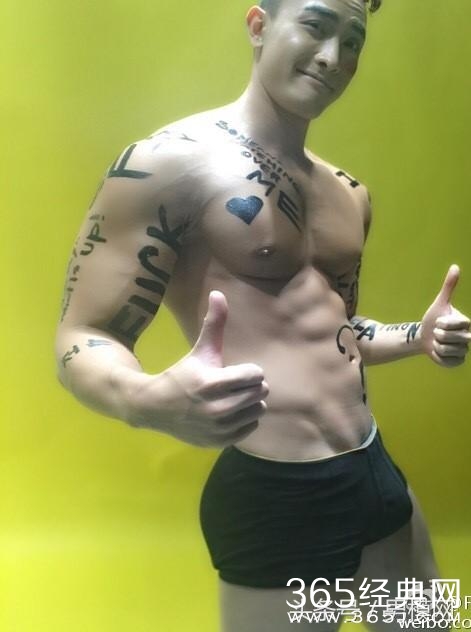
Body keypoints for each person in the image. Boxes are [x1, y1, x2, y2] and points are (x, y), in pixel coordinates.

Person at [55, 0, 470, 629]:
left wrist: (419, 335)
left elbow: (337, 334)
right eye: (315, 25)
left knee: (427, 624)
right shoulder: (166, 163)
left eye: (352, 40)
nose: (333, 56)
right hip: (281, 496)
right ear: (258, 25)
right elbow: (84, 333)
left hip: (374, 472)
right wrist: (145, 400)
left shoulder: (348, 193)